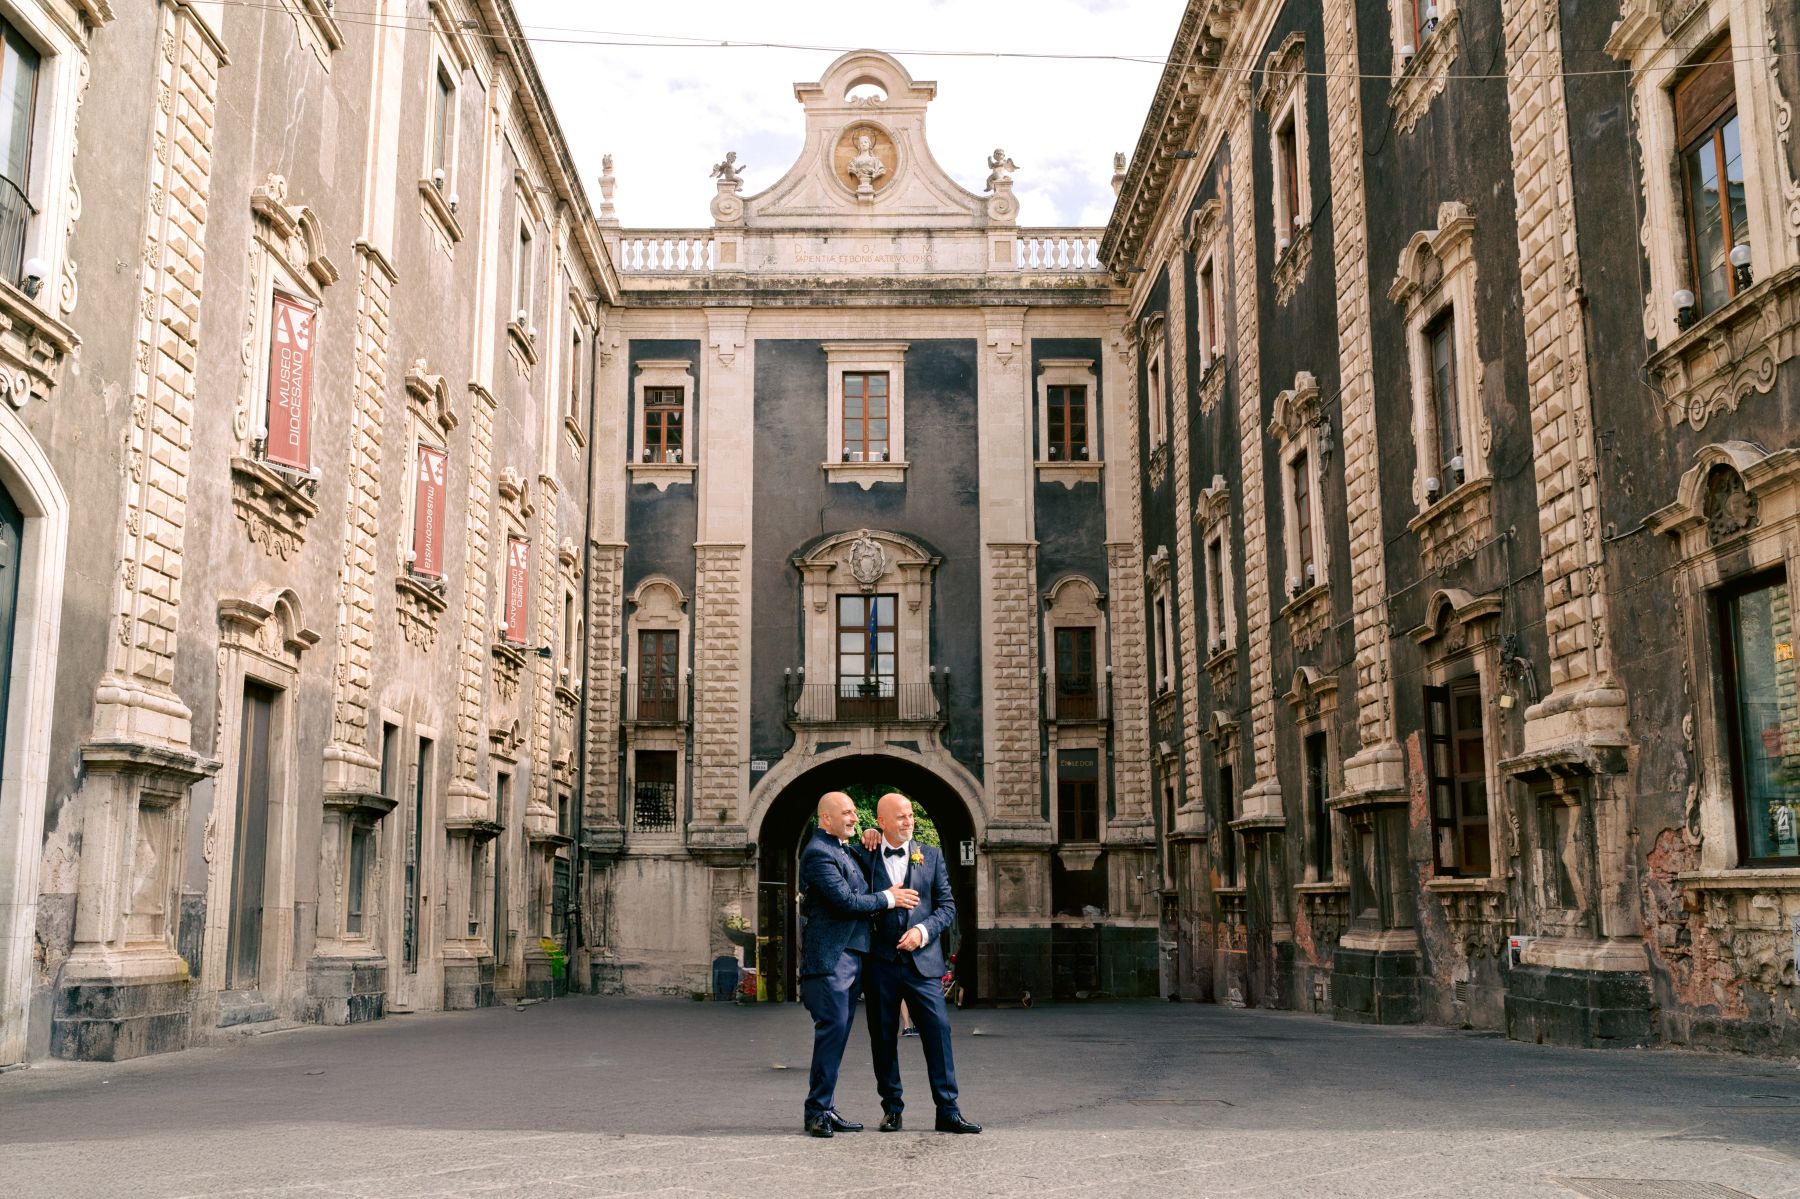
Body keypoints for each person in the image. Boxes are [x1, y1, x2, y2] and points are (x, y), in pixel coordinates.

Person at [854, 792, 981, 1134]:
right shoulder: (864, 855)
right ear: (881, 822)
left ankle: (948, 1110)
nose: (908, 821)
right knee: (882, 1038)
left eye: (910, 815)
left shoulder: (932, 856)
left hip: (923, 963)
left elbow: (947, 907)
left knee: (938, 1032)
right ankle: (891, 1108)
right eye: (900, 817)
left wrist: (923, 931)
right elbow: (851, 897)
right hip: (880, 963)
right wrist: (864, 832)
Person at [797, 791, 918, 1138]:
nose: (853, 817)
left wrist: (872, 836)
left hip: (852, 959)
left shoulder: (841, 850)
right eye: (847, 813)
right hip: (832, 960)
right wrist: (889, 898)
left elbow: (867, 868)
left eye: (854, 813)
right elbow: (846, 901)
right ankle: (816, 1111)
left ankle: (826, 1107)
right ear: (826, 819)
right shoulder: (819, 853)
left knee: (837, 1037)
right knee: (831, 1033)